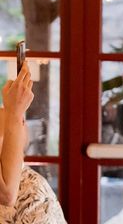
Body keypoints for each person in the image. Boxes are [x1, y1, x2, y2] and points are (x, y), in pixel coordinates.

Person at [0, 64, 66, 223]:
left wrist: (14, 113)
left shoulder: (34, 195)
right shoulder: (31, 194)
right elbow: (6, 194)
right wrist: (14, 112)